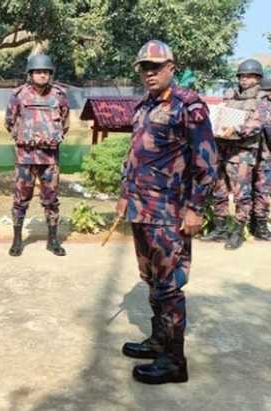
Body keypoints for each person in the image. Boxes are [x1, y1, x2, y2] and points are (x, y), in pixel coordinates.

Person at [118, 40, 218, 385]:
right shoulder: (143, 107)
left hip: (170, 214)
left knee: (170, 287)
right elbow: (134, 157)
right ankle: (159, 342)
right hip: (142, 211)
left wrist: (194, 209)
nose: (149, 73)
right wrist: (124, 194)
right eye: (144, 67)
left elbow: (207, 162)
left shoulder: (188, 107)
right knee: (152, 281)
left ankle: (175, 362)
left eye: (156, 67)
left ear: (171, 68)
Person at [5, 53, 68, 257]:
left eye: (46, 72)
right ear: (30, 73)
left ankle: (52, 240)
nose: (42, 75)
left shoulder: (59, 95)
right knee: (20, 199)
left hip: (49, 159)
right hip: (25, 158)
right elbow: (9, 121)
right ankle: (16, 240)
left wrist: (49, 138)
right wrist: (26, 137)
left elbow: (65, 123)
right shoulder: (19, 95)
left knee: (51, 199)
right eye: (38, 71)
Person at [202, 59, 265, 249]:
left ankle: (237, 232)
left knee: (241, 194)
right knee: (218, 189)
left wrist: (236, 129)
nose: (245, 79)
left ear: (258, 78)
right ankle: (220, 229)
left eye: (249, 76)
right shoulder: (231, 96)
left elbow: (257, 124)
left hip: (242, 152)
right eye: (242, 76)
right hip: (222, 148)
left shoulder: (261, 99)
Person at [250, 77, 271, 240]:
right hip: (263, 156)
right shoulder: (264, 106)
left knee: (253, 191)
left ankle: (255, 225)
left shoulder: (255, 103)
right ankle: (260, 228)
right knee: (262, 191)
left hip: (249, 155)